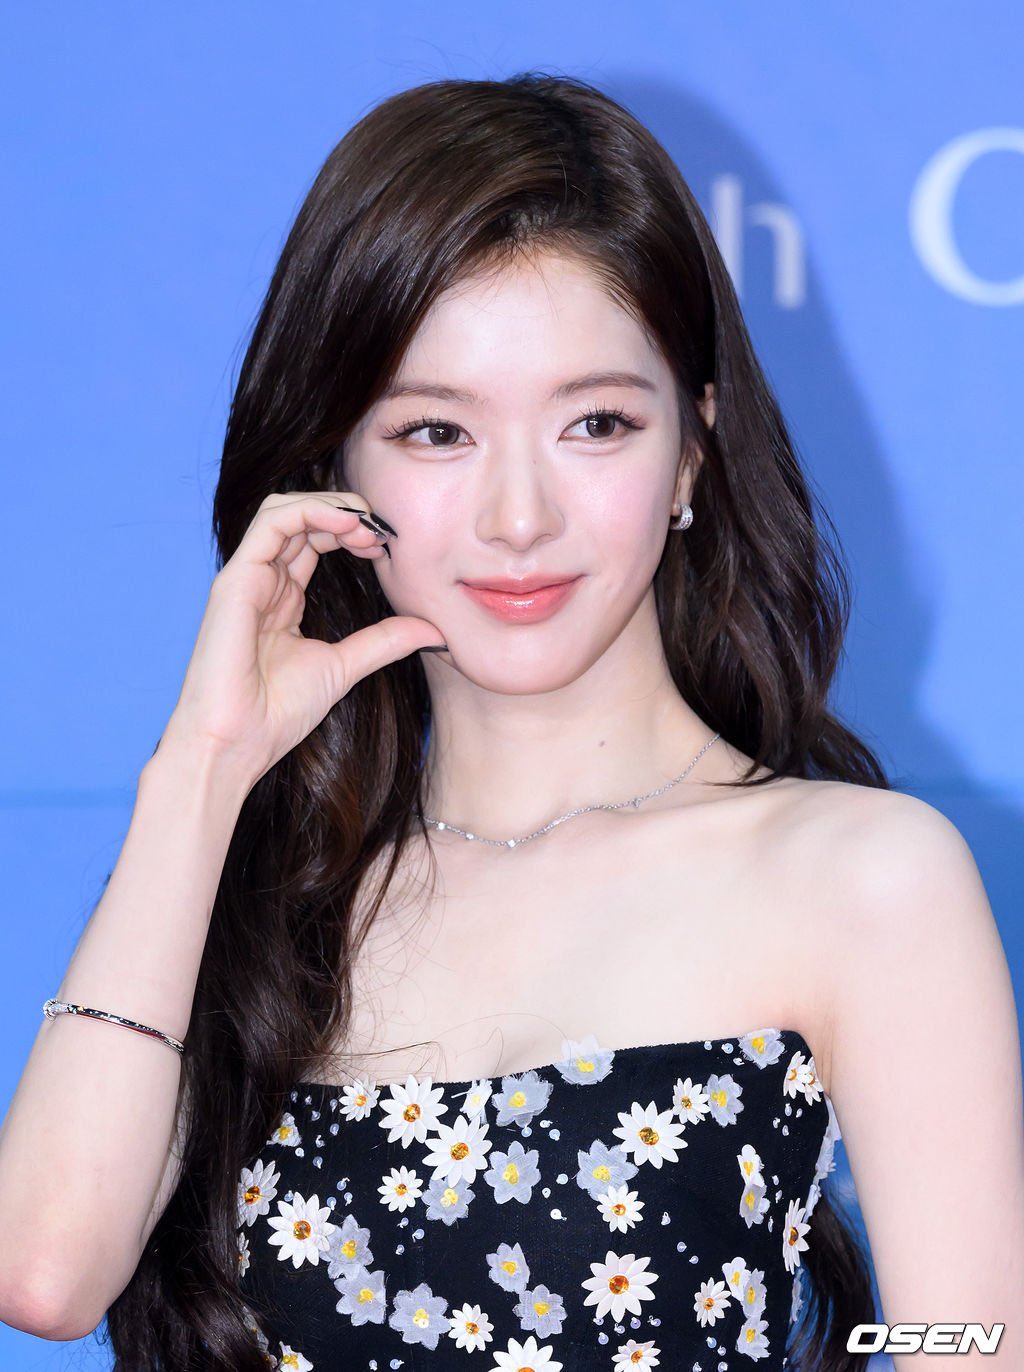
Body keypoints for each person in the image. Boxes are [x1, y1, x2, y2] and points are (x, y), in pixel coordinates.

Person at [0, 72, 1020, 1372]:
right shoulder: (257, 900)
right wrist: (200, 772)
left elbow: (973, 1345)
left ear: (692, 450)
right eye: (437, 433)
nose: (519, 518)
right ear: (335, 471)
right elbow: (42, 1274)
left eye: (596, 423)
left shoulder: (862, 877)